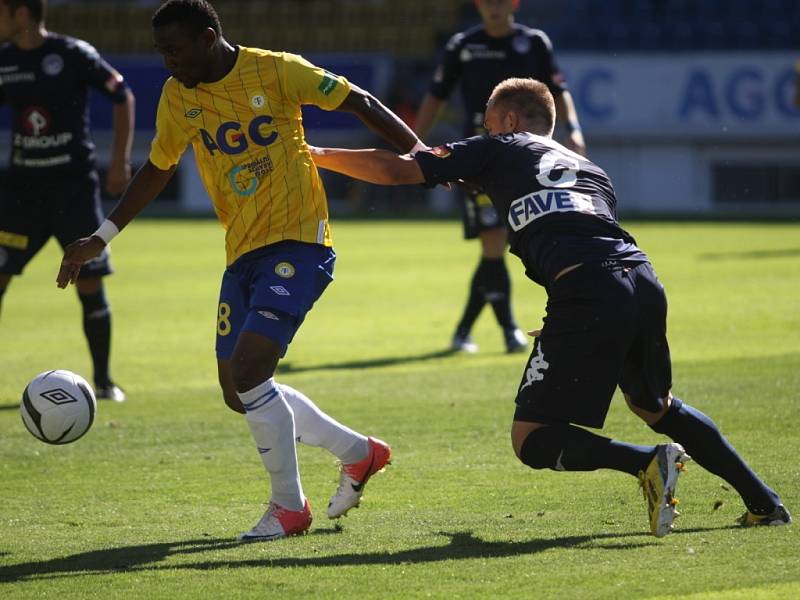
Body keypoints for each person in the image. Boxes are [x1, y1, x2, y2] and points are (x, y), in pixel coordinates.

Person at [309, 77, 792, 536]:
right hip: (640, 280)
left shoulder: (501, 145)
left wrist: (313, 155)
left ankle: (645, 462)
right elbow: (578, 234)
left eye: (489, 124)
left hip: (589, 291)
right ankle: (764, 502)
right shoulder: (591, 170)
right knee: (654, 404)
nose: (486, 133)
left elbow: (397, 168)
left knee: (532, 438)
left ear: (511, 120)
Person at [56, 0, 426, 541]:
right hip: (242, 252)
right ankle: (359, 453)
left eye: (174, 49)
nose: (167, 62)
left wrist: (421, 152)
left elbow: (360, 100)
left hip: (300, 242)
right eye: (161, 51)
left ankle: (288, 508)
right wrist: (101, 236)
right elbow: (158, 168)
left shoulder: (275, 69)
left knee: (252, 371)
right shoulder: (178, 96)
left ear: (208, 38)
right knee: (239, 389)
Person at [414, 0, 585, 355]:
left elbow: (558, 88)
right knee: (493, 242)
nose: (493, 7)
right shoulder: (463, 45)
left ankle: (463, 331)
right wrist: (413, 142)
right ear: (478, 5)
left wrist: (573, 128)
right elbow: (436, 95)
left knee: (497, 246)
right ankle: (509, 329)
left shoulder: (534, 42)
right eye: (486, 1)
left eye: (499, 1)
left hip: (524, 157)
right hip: (480, 156)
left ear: (514, 4)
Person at [0, 0, 134, 401]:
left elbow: (122, 95)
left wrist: (119, 162)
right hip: (22, 192)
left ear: (21, 13)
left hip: (73, 189)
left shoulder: (72, 54)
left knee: (89, 282)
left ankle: (104, 382)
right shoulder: (4, 61)